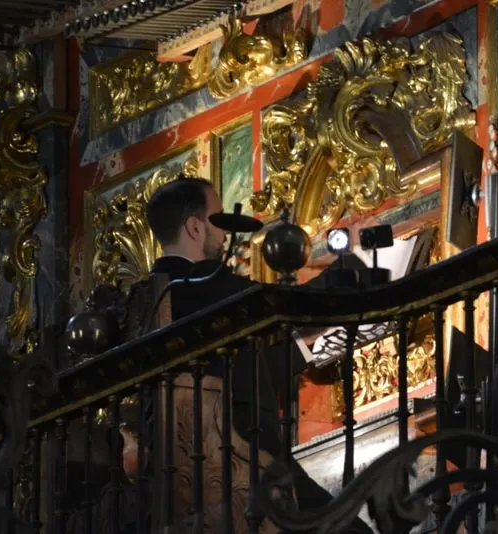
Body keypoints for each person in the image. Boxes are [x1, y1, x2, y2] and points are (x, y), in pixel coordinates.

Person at [145, 176, 373, 534]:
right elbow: (291, 307)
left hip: (171, 470)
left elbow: (230, 366)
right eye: (217, 220)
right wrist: (356, 267)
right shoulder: (206, 284)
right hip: (245, 453)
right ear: (193, 226)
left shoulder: (147, 298)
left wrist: (302, 350)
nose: (223, 236)